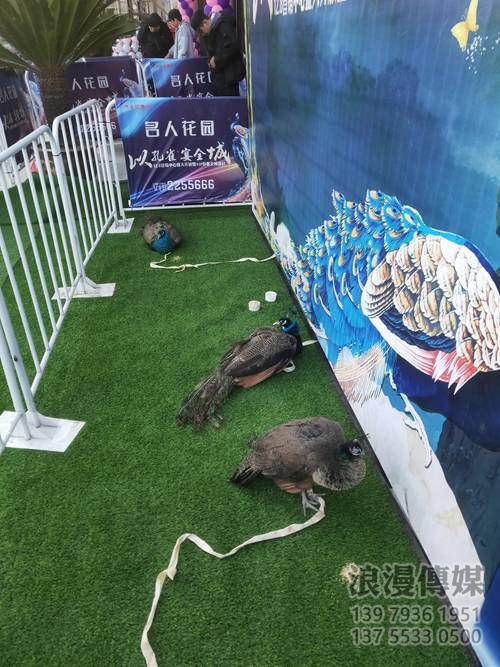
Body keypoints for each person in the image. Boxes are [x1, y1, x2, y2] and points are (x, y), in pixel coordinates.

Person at [191, 9, 245, 97]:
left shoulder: (223, 25)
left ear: (205, 23)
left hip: (230, 78)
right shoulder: (209, 33)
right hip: (219, 79)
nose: (202, 35)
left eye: (201, 32)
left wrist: (216, 59)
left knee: (232, 103)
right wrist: (211, 61)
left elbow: (232, 46)